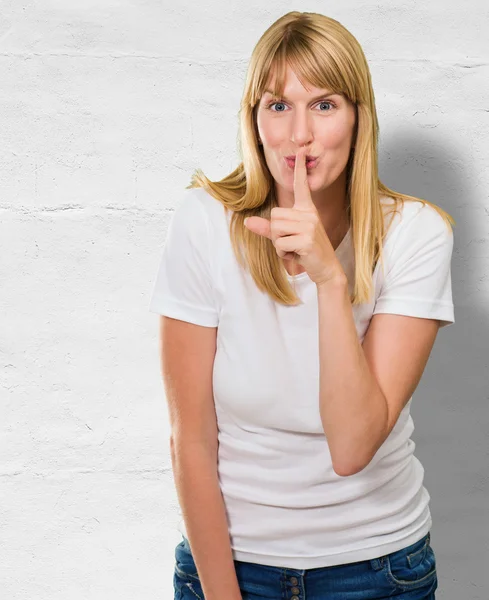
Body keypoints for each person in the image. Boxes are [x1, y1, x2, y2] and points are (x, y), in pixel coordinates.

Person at [148, 11, 454, 600]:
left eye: (324, 104)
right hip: (230, 566)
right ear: (254, 119)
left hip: (378, 569)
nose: (299, 136)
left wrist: (330, 282)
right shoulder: (204, 223)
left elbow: (352, 447)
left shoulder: (417, 233)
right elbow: (191, 437)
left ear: (359, 118)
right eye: (278, 105)